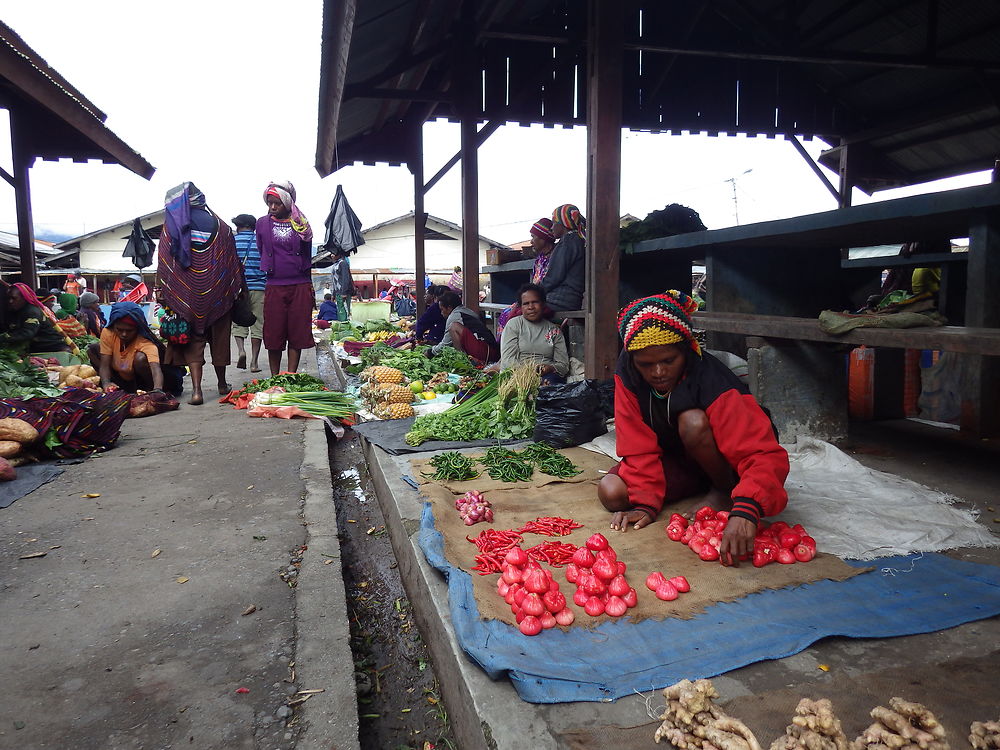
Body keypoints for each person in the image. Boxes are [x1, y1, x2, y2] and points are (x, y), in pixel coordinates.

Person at [598, 290, 789, 567]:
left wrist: (747, 508)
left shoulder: (712, 378)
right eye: (646, 365)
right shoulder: (627, 373)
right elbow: (636, 443)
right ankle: (701, 485)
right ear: (632, 359)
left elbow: (761, 451)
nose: (658, 372)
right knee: (612, 491)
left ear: (686, 351)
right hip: (680, 458)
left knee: (693, 421)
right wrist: (645, 504)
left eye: (668, 361)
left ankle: (724, 489)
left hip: (723, 457)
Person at [157, 182, 243, 405]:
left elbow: (165, 263)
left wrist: (167, 291)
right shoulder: (221, 226)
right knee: (220, 338)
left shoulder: (171, 226)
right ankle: (222, 384)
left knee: (194, 341)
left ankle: (197, 391)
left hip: (187, 296)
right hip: (218, 293)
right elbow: (230, 260)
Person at [256, 180, 315, 376]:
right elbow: (261, 249)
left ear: (288, 203)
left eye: (277, 203)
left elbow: (307, 253)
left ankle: (290, 375)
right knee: (274, 333)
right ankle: (274, 377)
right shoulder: (262, 224)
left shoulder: (301, 224)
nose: (272, 207)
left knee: (296, 332)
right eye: (269, 202)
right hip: (274, 284)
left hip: (299, 284)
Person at [88, 302, 182, 395]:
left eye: (129, 331)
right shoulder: (108, 333)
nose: (124, 334)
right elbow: (105, 364)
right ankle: (117, 387)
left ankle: (149, 390)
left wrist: (157, 390)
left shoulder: (145, 342)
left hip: (141, 380)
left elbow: (155, 369)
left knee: (140, 358)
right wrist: (106, 383)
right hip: (123, 378)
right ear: (114, 326)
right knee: (93, 349)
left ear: (137, 328)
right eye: (119, 330)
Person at [496, 283, 568, 384]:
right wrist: (530, 374)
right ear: (520, 307)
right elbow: (508, 361)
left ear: (543, 304)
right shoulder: (514, 325)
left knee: (551, 385)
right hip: (516, 375)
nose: (531, 307)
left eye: (535, 302)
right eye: (526, 303)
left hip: (546, 377)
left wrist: (550, 368)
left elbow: (563, 365)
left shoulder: (554, 331)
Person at [497, 218, 557, 335]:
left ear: (543, 238)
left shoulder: (555, 257)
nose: (531, 241)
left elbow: (550, 283)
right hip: (534, 298)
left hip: (546, 300)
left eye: (533, 237)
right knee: (506, 313)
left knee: (514, 316)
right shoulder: (539, 260)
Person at [231, 213, 266, 373]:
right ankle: (254, 362)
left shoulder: (232, 242)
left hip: (239, 290)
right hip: (259, 287)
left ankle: (241, 351)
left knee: (238, 321)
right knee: (258, 324)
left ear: (239, 226)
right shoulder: (261, 242)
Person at [429, 291, 499, 365]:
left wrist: (431, 351)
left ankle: (463, 361)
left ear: (449, 307)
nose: (441, 313)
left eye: (442, 309)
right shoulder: (467, 311)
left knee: (454, 327)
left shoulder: (455, 316)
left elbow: (446, 344)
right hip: (491, 350)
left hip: (485, 351)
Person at [0, 283, 73, 353]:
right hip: (35, 349)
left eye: (14, 298)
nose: (10, 301)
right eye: (8, 298)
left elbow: (27, 333)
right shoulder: (14, 311)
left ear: (24, 298)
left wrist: (3, 338)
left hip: (52, 348)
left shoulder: (32, 311)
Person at [543, 204, 587, 313]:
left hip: (560, 301)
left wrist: (533, 292)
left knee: (516, 316)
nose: (552, 227)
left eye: (554, 223)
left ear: (563, 224)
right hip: (571, 300)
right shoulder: (578, 239)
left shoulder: (568, 242)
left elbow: (553, 278)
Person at [331, 250, 353, 321]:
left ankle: (346, 329)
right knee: (340, 312)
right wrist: (333, 294)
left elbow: (345, 278)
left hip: (343, 293)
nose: (331, 255)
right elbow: (334, 280)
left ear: (339, 254)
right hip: (338, 292)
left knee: (345, 312)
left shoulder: (343, 263)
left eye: (333, 253)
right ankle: (342, 329)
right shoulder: (335, 264)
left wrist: (344, 293)